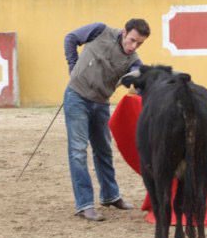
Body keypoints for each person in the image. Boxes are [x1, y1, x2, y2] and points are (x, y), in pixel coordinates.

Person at [63, 18, 150, 222]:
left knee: (103, 149)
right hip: (76, 97)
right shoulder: (99, 30)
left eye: (139, 43)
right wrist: (73, 66)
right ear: (123, 32)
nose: (134, 46)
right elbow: (71, 38)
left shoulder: (134, 62)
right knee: (77, 151)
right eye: (132, 40)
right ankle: (84, 204)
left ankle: (110, 195)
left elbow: (141, 84)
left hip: (101, 103)